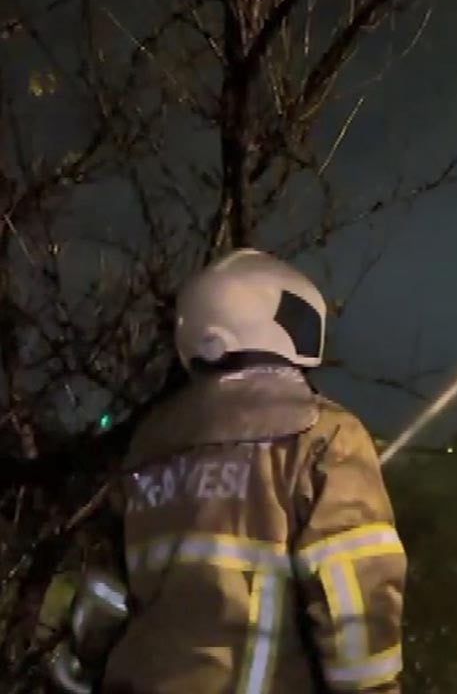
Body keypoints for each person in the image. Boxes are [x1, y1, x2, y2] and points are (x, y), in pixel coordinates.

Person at [93, 248, 406, 693]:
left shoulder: (148, 447)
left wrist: (67, 677)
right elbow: (356, 596)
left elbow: (102, 600)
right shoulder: (325, 436)